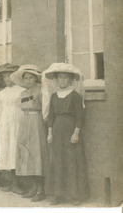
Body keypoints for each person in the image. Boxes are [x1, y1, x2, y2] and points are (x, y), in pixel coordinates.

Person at [43, 63, 89, 205]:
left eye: (65, 78)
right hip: (57, 132)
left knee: (71, 162)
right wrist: (50, 133)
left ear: (70, 80)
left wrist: (75, 133)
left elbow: (80, 117)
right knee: (57, 161)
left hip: (70, 132)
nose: (62, 80)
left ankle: (74, 196)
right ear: (56, 80)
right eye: (60, 78)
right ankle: (57, 195)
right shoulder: (54, 96)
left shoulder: (75, 96)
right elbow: (51, 116)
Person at [12, 64, 47, 202]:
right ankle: (32, 187)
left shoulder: (40, 91)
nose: (28, 80)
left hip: (36, 121)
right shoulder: (22, 93)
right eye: (26, 78)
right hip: (25, 122)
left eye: (31, 78)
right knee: (27, 155)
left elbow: (44, 108)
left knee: (37, 154)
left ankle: (40, 189)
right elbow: (21, 105)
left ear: (35, 78)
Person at [0, 63, 25, 193]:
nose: (7, 79)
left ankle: (19, 183)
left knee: (16, 149)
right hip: (5, 124)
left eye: (10, 76)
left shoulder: (22, 91)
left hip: (18, 122)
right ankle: (11, 182)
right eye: (5, 76)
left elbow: (25, 108)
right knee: (6, 150)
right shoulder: (1, 93)